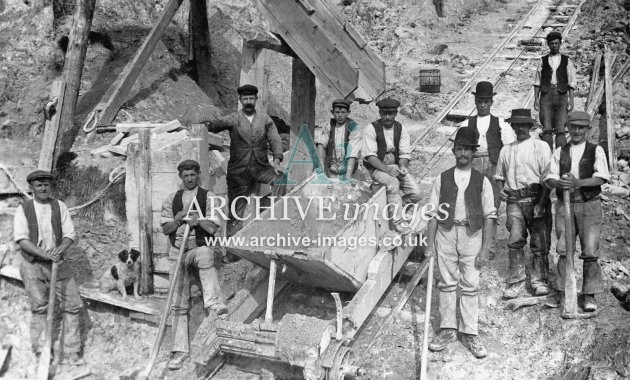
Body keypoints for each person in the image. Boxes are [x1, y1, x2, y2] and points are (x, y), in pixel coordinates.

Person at [425, 127, 496, 359]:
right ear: (454, 151)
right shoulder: (442, 178)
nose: (463, 153)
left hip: (471, 234)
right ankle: (447, 329)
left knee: (470, 283)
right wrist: (429, 244)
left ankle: (469, 332)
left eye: (467, 149)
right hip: (446, 233)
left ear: (473, 153)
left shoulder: (482, 180)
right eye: (459, 148)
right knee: (446, 283)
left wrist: (485, 248)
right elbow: (433, 214)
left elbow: (489, 216)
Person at [13, 170, 85, 366]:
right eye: (39, 185)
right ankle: (41, 351)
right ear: (32, 188)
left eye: (46, 184)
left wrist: (60, 250)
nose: (43, 188)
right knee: (39, 307)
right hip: (33, 264)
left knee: (72, 304)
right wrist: (45, 254)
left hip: (58, 262)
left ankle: (71, 352)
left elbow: (70, 233)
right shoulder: (24, 209)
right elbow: (22, 239)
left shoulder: (59, 206)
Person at [161, 160, 227, 370]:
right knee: (178, 301)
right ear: (181, 177)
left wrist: (198, 221)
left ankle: (214, 304)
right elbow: (166, 229)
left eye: (192, 175)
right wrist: (179, 220)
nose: (189, 179)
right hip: (177, 251)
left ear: (198, 175)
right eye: (185, 176)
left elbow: (213, 228)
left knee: (206, 253)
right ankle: (180, 350)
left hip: (198, 247)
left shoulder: (208, 197)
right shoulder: (172, 199)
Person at [544, 111, 609, 311]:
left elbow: (601, 177)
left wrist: (577, 183)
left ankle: (589, 294)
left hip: (589, 203)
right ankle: (561, 291)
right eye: (573, 127)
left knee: (590, 250)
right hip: (565, 204)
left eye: (581, 127)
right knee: (564, 249)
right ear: (568, 128)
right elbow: (549, 177)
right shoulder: (560, 151)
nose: (577, 131)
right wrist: (560, 182)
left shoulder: (595, 150)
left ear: (588, 129)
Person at [204, 84, 286, 235]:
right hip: (239, 172)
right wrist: (207, 123)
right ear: (240, 100)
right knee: (236, 211)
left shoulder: (265, 119)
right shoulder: (234, 118)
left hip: (261, 168)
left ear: (256, 99)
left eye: (251, 99)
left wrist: (277, 161)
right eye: (245, 99)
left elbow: (275, 139)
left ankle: (269, 216)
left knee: (280, 179)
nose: (248, 102)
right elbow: (217, 124)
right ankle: (232, 251)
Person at [495, 109, 553, 299]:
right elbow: (499, 177)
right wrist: (501, 190)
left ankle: (539, 281)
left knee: (539, 242)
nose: (520, 128)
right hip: (514, 201)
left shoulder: (541, 146)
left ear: (530, 127)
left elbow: (548, 177)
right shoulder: (506, 150)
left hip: (536, 197)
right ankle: (516, 282)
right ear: (512, 127)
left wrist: (542, 203)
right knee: (515, 242)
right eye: (516, 125)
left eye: (524, 125)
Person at [461, 81, 517, 258]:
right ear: (475, 102)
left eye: (486, 101)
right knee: (473, 204)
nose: (483, 105)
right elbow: (459, 149)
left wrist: (506, 174)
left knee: (491, 207)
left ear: (491, 102)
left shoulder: (501, 123)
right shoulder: (466, 123)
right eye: (480, 101)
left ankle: (489, 247)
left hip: (494, 166)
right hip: (474, 165)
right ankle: (473, 245)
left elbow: (508, 150)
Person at [363, 97, 422, 234]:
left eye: (391, 113)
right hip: (377, 168)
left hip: (395, 166)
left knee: (416, 193)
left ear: (396, 113)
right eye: (385, 113)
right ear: (380, 113)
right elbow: (371, 157)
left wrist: (402, 167)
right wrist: (388, 170)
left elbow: (404, 153)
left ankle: (397, 207)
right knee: (393, 184)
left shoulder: (401, 129)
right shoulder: (371, 129)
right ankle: (398, 223)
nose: (388, 117)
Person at [533, 31, 576, 150]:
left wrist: (571, 100)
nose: (554, 46)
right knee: (546, 128)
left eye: (556, 43)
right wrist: (536, 99)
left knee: (561, 128)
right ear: (548, 44)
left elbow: (571, 83)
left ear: (560, 44)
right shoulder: (543, 60)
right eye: (551, 43)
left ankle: (560, 158)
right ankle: (546, 159)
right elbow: (537, 82)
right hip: (546, 95)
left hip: (562, 95)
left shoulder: (567, 60)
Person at [314, 98, 362, 180]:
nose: (340, 115)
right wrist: (321, 169)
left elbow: (353, 153)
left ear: (348, 113)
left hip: (349, 168)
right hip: (331, 168)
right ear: (332, 112)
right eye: (337, 112)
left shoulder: (354, 127)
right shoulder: (329, 125)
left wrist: (348, 176)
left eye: (343, 112)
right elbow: (321, 144)